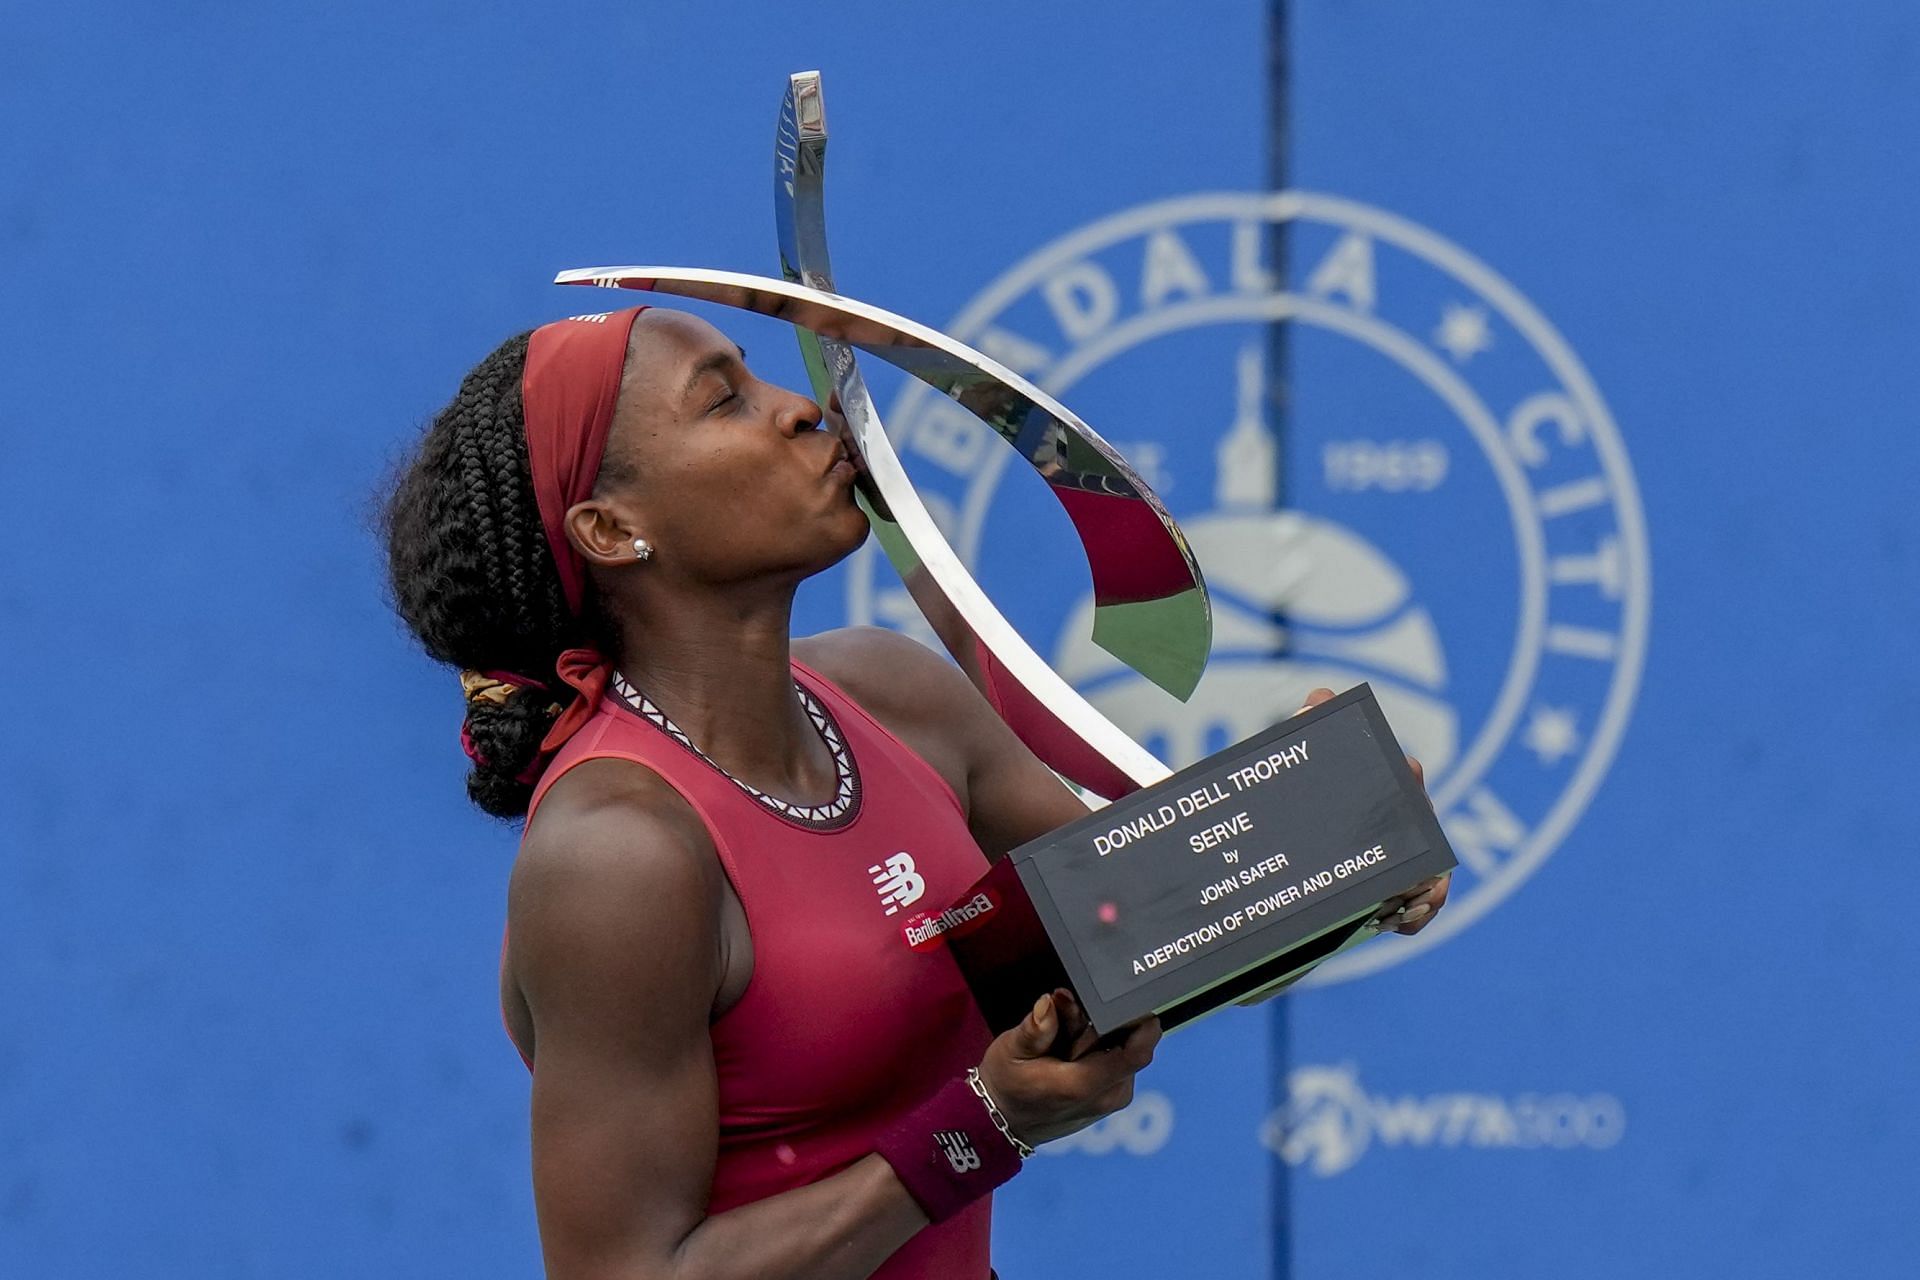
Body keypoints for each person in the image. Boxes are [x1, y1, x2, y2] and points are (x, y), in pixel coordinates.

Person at [382, 305, 1449, 1280]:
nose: (799, 407)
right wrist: (986, 1121)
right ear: (613, 530)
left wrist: (1331, 845)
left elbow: (1155, 924)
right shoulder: (621, 851)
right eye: (725, 400)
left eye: (757, 376)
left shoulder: (893, 694)